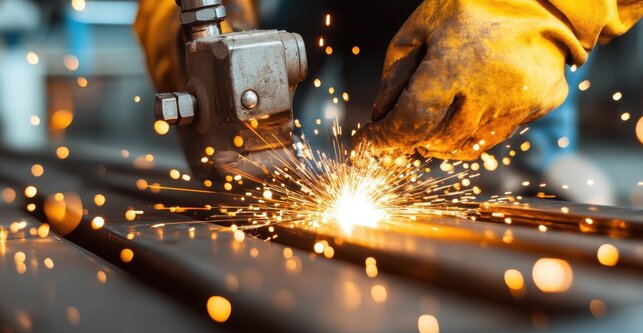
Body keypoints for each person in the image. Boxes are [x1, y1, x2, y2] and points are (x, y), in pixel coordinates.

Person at [136, 0, 642, 161]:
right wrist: (194, 50)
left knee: (528, 177)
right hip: (334, 8)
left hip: (491, 22)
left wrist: (542, 11)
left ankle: (545, 165)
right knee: (341, 160)